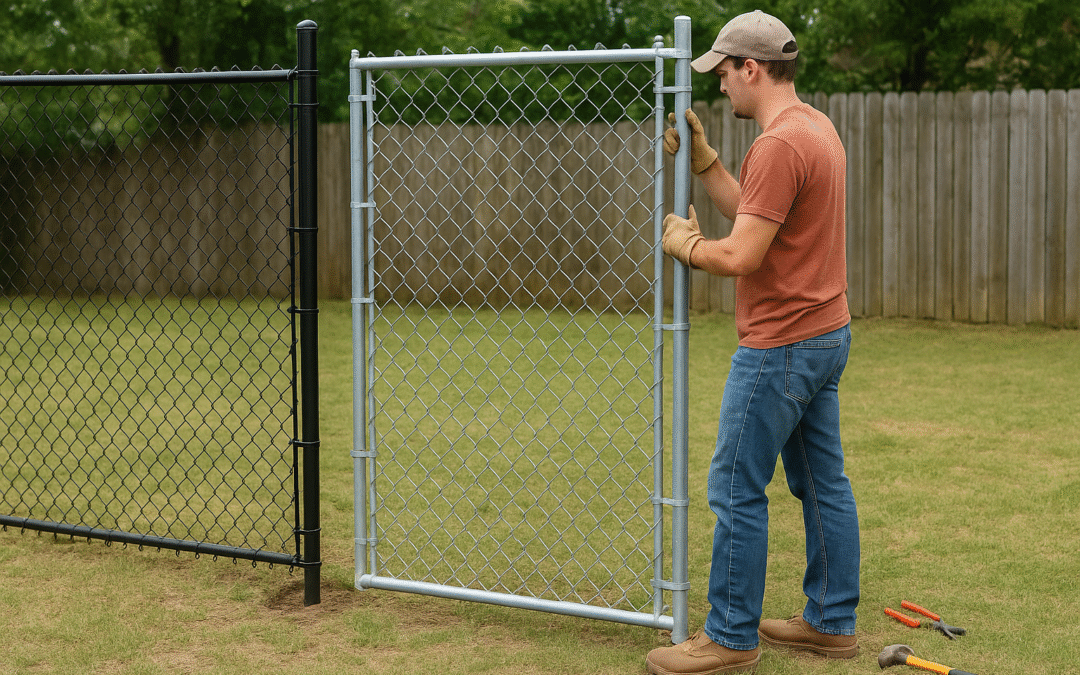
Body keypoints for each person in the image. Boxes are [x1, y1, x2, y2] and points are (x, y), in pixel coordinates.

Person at [645, 10, 860, 675]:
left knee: (735, 483)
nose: (720, 89)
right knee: (822, 481)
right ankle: (831, 621)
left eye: (723, 74)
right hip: (825, 333)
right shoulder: (813, 128)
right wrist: (707, 162)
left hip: (781, 346)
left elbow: (742, 252)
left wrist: (687, 245)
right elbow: (758, 213)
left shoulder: (778, 144)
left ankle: (730, 636)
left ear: (751, 68)